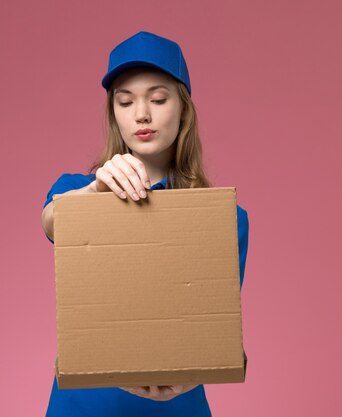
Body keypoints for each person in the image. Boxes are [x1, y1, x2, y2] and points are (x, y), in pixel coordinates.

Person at [40, 31, 250, 416]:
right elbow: (52, 221)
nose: (141, 114)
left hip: (177, 407)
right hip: (86, 406)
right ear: (114, 113)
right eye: (125, 101)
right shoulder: (76, 191)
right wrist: (97, 189)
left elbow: (212, 327)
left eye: (157, 99)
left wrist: (197, 372)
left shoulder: (222, 219)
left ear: (183, 108)